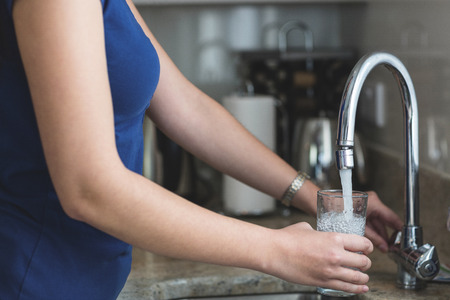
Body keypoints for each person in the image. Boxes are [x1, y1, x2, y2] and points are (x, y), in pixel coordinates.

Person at [0, 0, 403, 299]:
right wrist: (275, 248)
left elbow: (187, 109)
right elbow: (90, 188)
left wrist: (317, 199)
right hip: (36, 278)